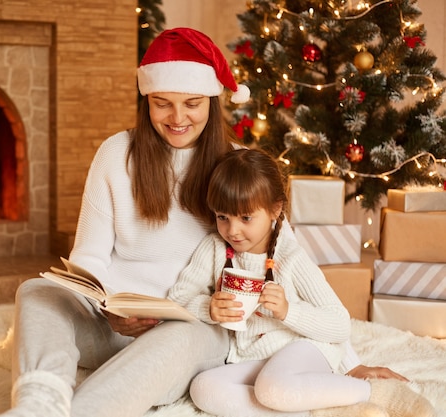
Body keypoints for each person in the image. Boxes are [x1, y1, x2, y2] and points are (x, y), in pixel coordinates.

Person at [0, 27, 408, 417]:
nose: (177, 118)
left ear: (211, 100)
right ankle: (38, 404)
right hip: (112, 323)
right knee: (38, 292)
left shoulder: (236, 165)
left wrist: (349, 364)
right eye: (162, 103)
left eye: (191, 104)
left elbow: (282, 249)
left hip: (196, 327)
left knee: (180, 335)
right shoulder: (116, 154)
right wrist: (105, 307)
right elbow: (88, 258)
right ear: (145, 100)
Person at [168, 148, 436, 417]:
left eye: (246, 217)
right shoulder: (215, 247)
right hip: (255, 357)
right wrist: (208, 308)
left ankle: (375, 392)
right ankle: (320, 410)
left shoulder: (291, 259)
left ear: (275, 209)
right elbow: (177, 299)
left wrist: (288, 312)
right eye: (222, 217)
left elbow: (340, 323)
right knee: (204, 388)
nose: (233, 230)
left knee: (272, 387)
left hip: (304, 349)